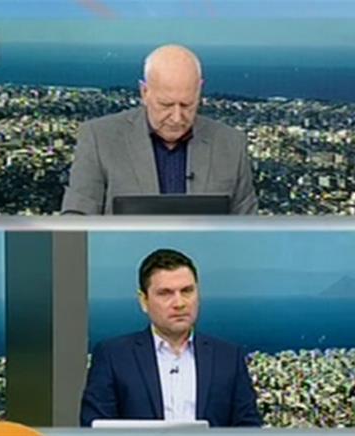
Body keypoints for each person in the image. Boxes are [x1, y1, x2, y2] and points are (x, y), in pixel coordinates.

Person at [61, 45, 258, 214]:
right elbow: (75, 223)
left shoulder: (231, 145)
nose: (177, 117)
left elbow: (249, 229)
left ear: (199, 90)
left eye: (187, 105)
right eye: (166, 105)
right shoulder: (99, 139)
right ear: (144, 92)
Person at [80, 248, 263, 427]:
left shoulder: (228, 357)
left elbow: (248, 426)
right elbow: (94, 425)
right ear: (144, 300)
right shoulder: (113, 356)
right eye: (165, 293)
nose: (179, 303)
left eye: (187, 291)